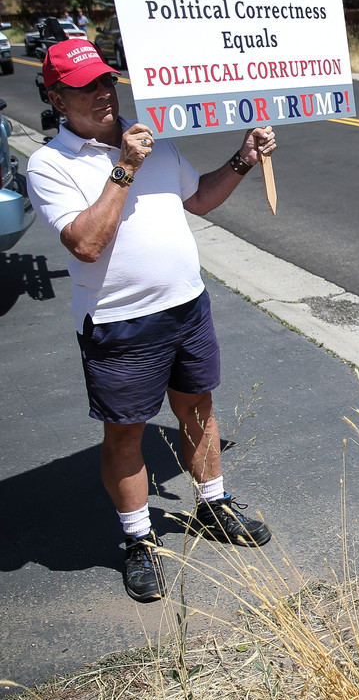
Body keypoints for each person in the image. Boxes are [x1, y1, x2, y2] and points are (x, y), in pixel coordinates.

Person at [26, 39, 278, 603]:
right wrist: (123, 169)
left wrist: (243, 158)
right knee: (127, 432)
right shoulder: (49, 164)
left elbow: (199, 201)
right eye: (84, 87)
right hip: (119, 323)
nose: (101, 94)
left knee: (198, 407)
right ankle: (139, 541)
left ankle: (213, 505)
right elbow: (86, 245)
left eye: (105, 81)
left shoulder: (151, 139)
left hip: (186, 306)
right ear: (55, 97)